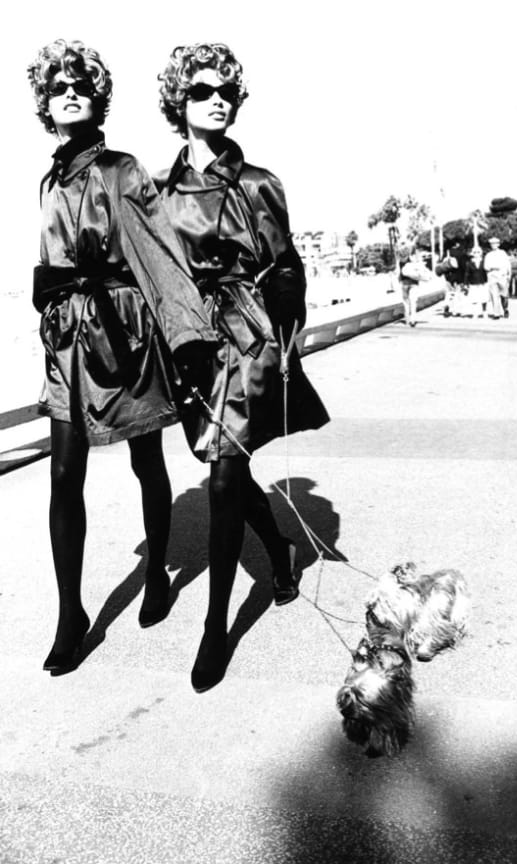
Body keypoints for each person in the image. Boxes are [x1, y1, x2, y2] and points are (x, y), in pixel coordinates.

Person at [28, 40, 218, 674]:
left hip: (123, 335)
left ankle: (161, 573)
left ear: (97, 94)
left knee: (146, 458)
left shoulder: (123, 168)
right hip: (67, 341)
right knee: (62, 475)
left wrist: (190, 337)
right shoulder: (49, 181)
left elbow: (159, 253)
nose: (70, 93)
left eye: (80, 83)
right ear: (45, 105)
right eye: (58, 88)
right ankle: (69, 614)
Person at [156, 43, 329, 693]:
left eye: (227, 88)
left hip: (247, 340)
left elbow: (285, 266)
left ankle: (215, 628)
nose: (218, 97)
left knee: (226, 474)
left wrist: (286, 337)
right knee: (226, 467)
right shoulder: (156, 192)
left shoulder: (258, 183)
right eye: (203, 90)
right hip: (190, 347)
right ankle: (282, 554)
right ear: (180, 101)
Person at [400, 249, 430, 326]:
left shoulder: (401, 261)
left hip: (404, 284)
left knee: (406, 303)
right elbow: (421, 273)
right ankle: (413, 320)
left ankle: (407, 319)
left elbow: (399, 274)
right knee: (413, 302)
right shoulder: (416, 262)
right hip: (414, 284)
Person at [483, 237, 511, 318]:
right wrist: (492, 268)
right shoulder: (488, 255)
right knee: (494, 295)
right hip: (492, 276)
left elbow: (508, 265)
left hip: (502, 276)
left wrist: (509, 275)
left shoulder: (503, 253)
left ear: (498, 244)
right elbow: (486, 266)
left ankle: (505, 308)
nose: (493, 245)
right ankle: (496, 313)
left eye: (495, 243)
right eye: (492, 244)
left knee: (504, 295)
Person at [464, 248, 488, 318]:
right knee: (474, 299)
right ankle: (475, 313)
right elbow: (467, 274)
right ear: (472, 253)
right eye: (474, 252)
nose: (476, 254)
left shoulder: (484, 261)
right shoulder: (469, 263)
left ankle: (484, 312)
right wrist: (466, 284)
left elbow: (487, 272)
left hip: (483, 282)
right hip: (473, 283)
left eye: (478, 252)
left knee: (484, 298)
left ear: (480, 253)